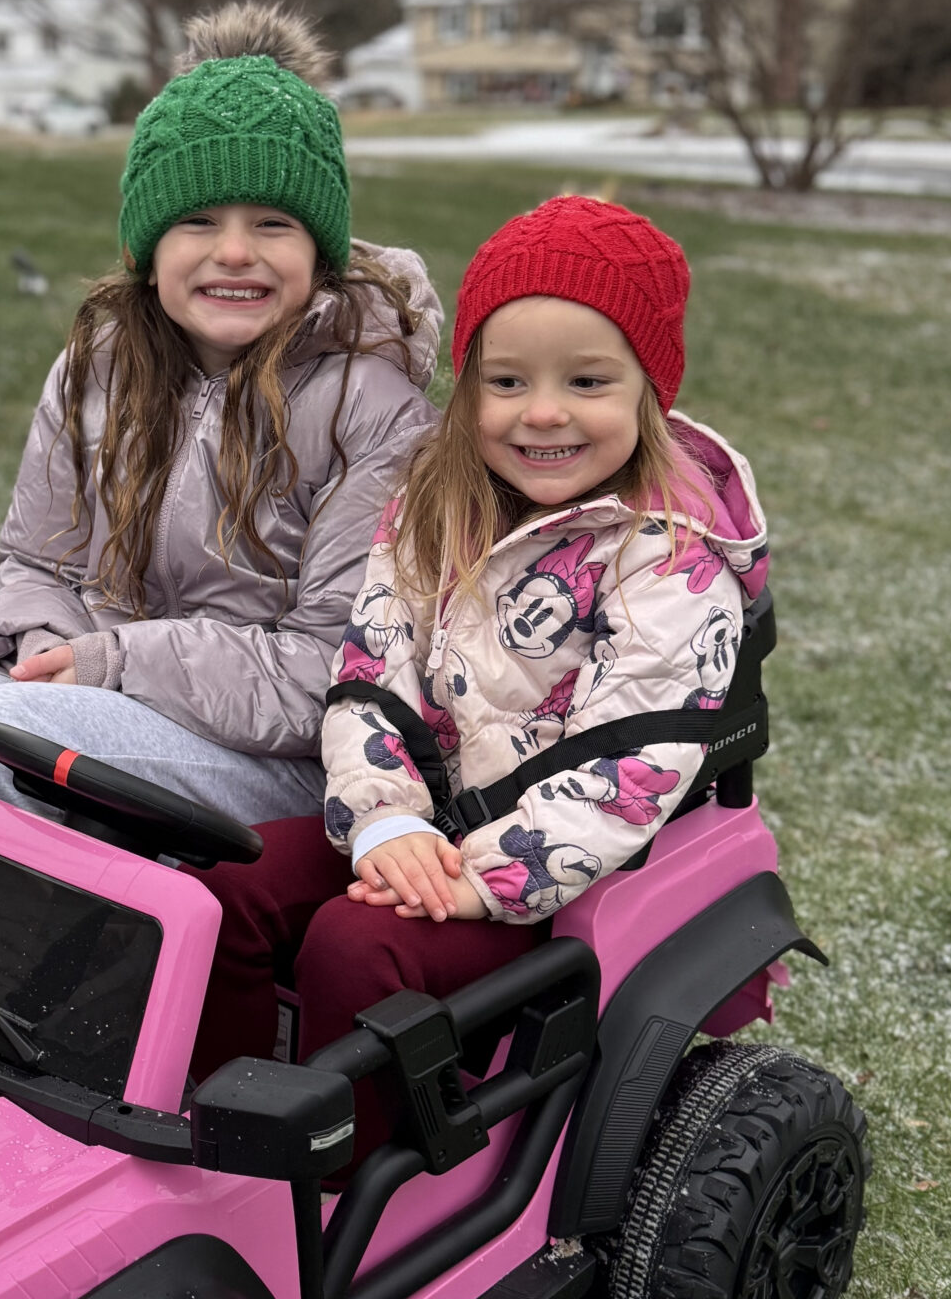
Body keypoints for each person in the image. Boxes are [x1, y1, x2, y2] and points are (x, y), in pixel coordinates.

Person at [190, 194, 769, 1123]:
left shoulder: (667, 556)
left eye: (587, 383)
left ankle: (355, 1191)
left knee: (354, 944)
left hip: (559, 871)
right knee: (230, 887)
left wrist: (476, 877)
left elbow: (633, 760)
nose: (542, 413)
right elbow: (372, 672)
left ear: (647, 390)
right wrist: (385, 822)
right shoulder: (437, 504)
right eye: (506, 382)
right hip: (426, 824)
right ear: (468, 387)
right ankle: (216, 1123)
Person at [0, 5, 442, 822]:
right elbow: (39, 564)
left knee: (13, 737)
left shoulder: (373, 410)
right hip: (104, 689)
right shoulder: (97, 371)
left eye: (272, 224)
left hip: (287, 752)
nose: (234, 252)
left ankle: (64, 944)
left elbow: (335, 665)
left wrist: (115, 661)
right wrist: (46, 649)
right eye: (197, 221)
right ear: (148, 247)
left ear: (319, 253)